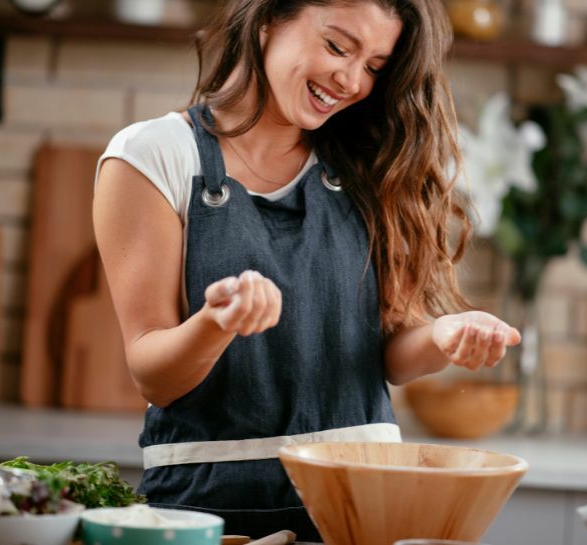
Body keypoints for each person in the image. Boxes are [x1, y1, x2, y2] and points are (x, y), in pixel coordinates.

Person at [92, 0, 522, 539]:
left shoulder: (372, 164)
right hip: (209, 512)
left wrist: (443, 335)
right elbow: (153, 374)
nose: (350, 80)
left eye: (373, 67)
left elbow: (390, 352)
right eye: (338, 46)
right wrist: (217, 323)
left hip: (362, 506)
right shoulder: (153, 157)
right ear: (269, 17)